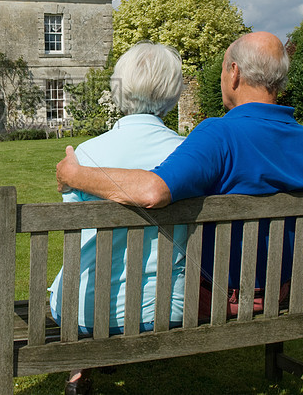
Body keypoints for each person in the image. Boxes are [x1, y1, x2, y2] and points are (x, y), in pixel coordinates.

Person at [56, 31, 303, 314]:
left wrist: (74, 175)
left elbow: (154, 191)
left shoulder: (218, 135)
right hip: (282, 293)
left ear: (234, 73)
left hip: (220, 299)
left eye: (224, 69)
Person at [49, 41, 186, 395]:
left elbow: (75, 234)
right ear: (173, 93)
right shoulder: (190, 154)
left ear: (118, 89)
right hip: (169, 305)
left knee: (77, 278)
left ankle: (81, 368)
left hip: (87, 311)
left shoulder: (86, 154)